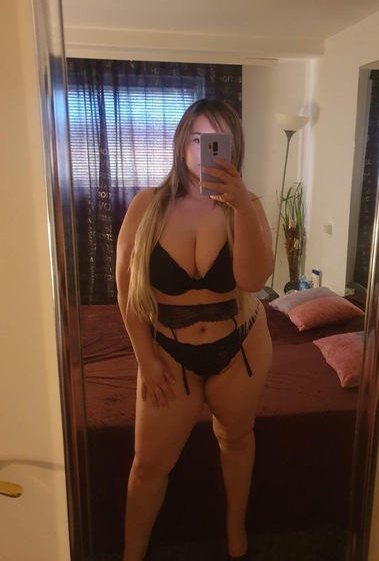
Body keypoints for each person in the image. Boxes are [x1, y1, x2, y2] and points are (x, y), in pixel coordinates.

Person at [116, 98, 274, 561]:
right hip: (169, 352)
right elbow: (125, 289)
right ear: (183, 142)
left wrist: (240, 206)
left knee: (236, 439)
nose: (205, 149)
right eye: (198, 138)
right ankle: (131, 552)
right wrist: (145, 358)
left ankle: (234, 528)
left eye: (217, 140)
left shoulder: (247, 206)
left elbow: (253, 281)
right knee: (148, 465)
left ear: (233, 147)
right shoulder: (147, 206)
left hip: (240, 347)